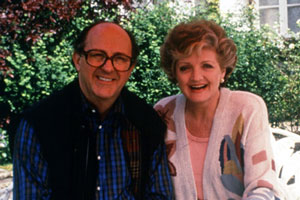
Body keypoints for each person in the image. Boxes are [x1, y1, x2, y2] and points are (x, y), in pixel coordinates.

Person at [12, 21, 173, 200]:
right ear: (77, 60)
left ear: (130, 69)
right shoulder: (38, 125)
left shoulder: (146, 122)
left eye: (120, 59)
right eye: (97, 55)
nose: (108, 67)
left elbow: (160, 195)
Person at [154, 19, 284, 200]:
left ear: (223, 70)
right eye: (185, 68)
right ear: (174, 72)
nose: (196, 77)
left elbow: (264, 186)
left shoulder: (247, 108)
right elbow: (153, 187)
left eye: (207, 66)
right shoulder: (163, 112)